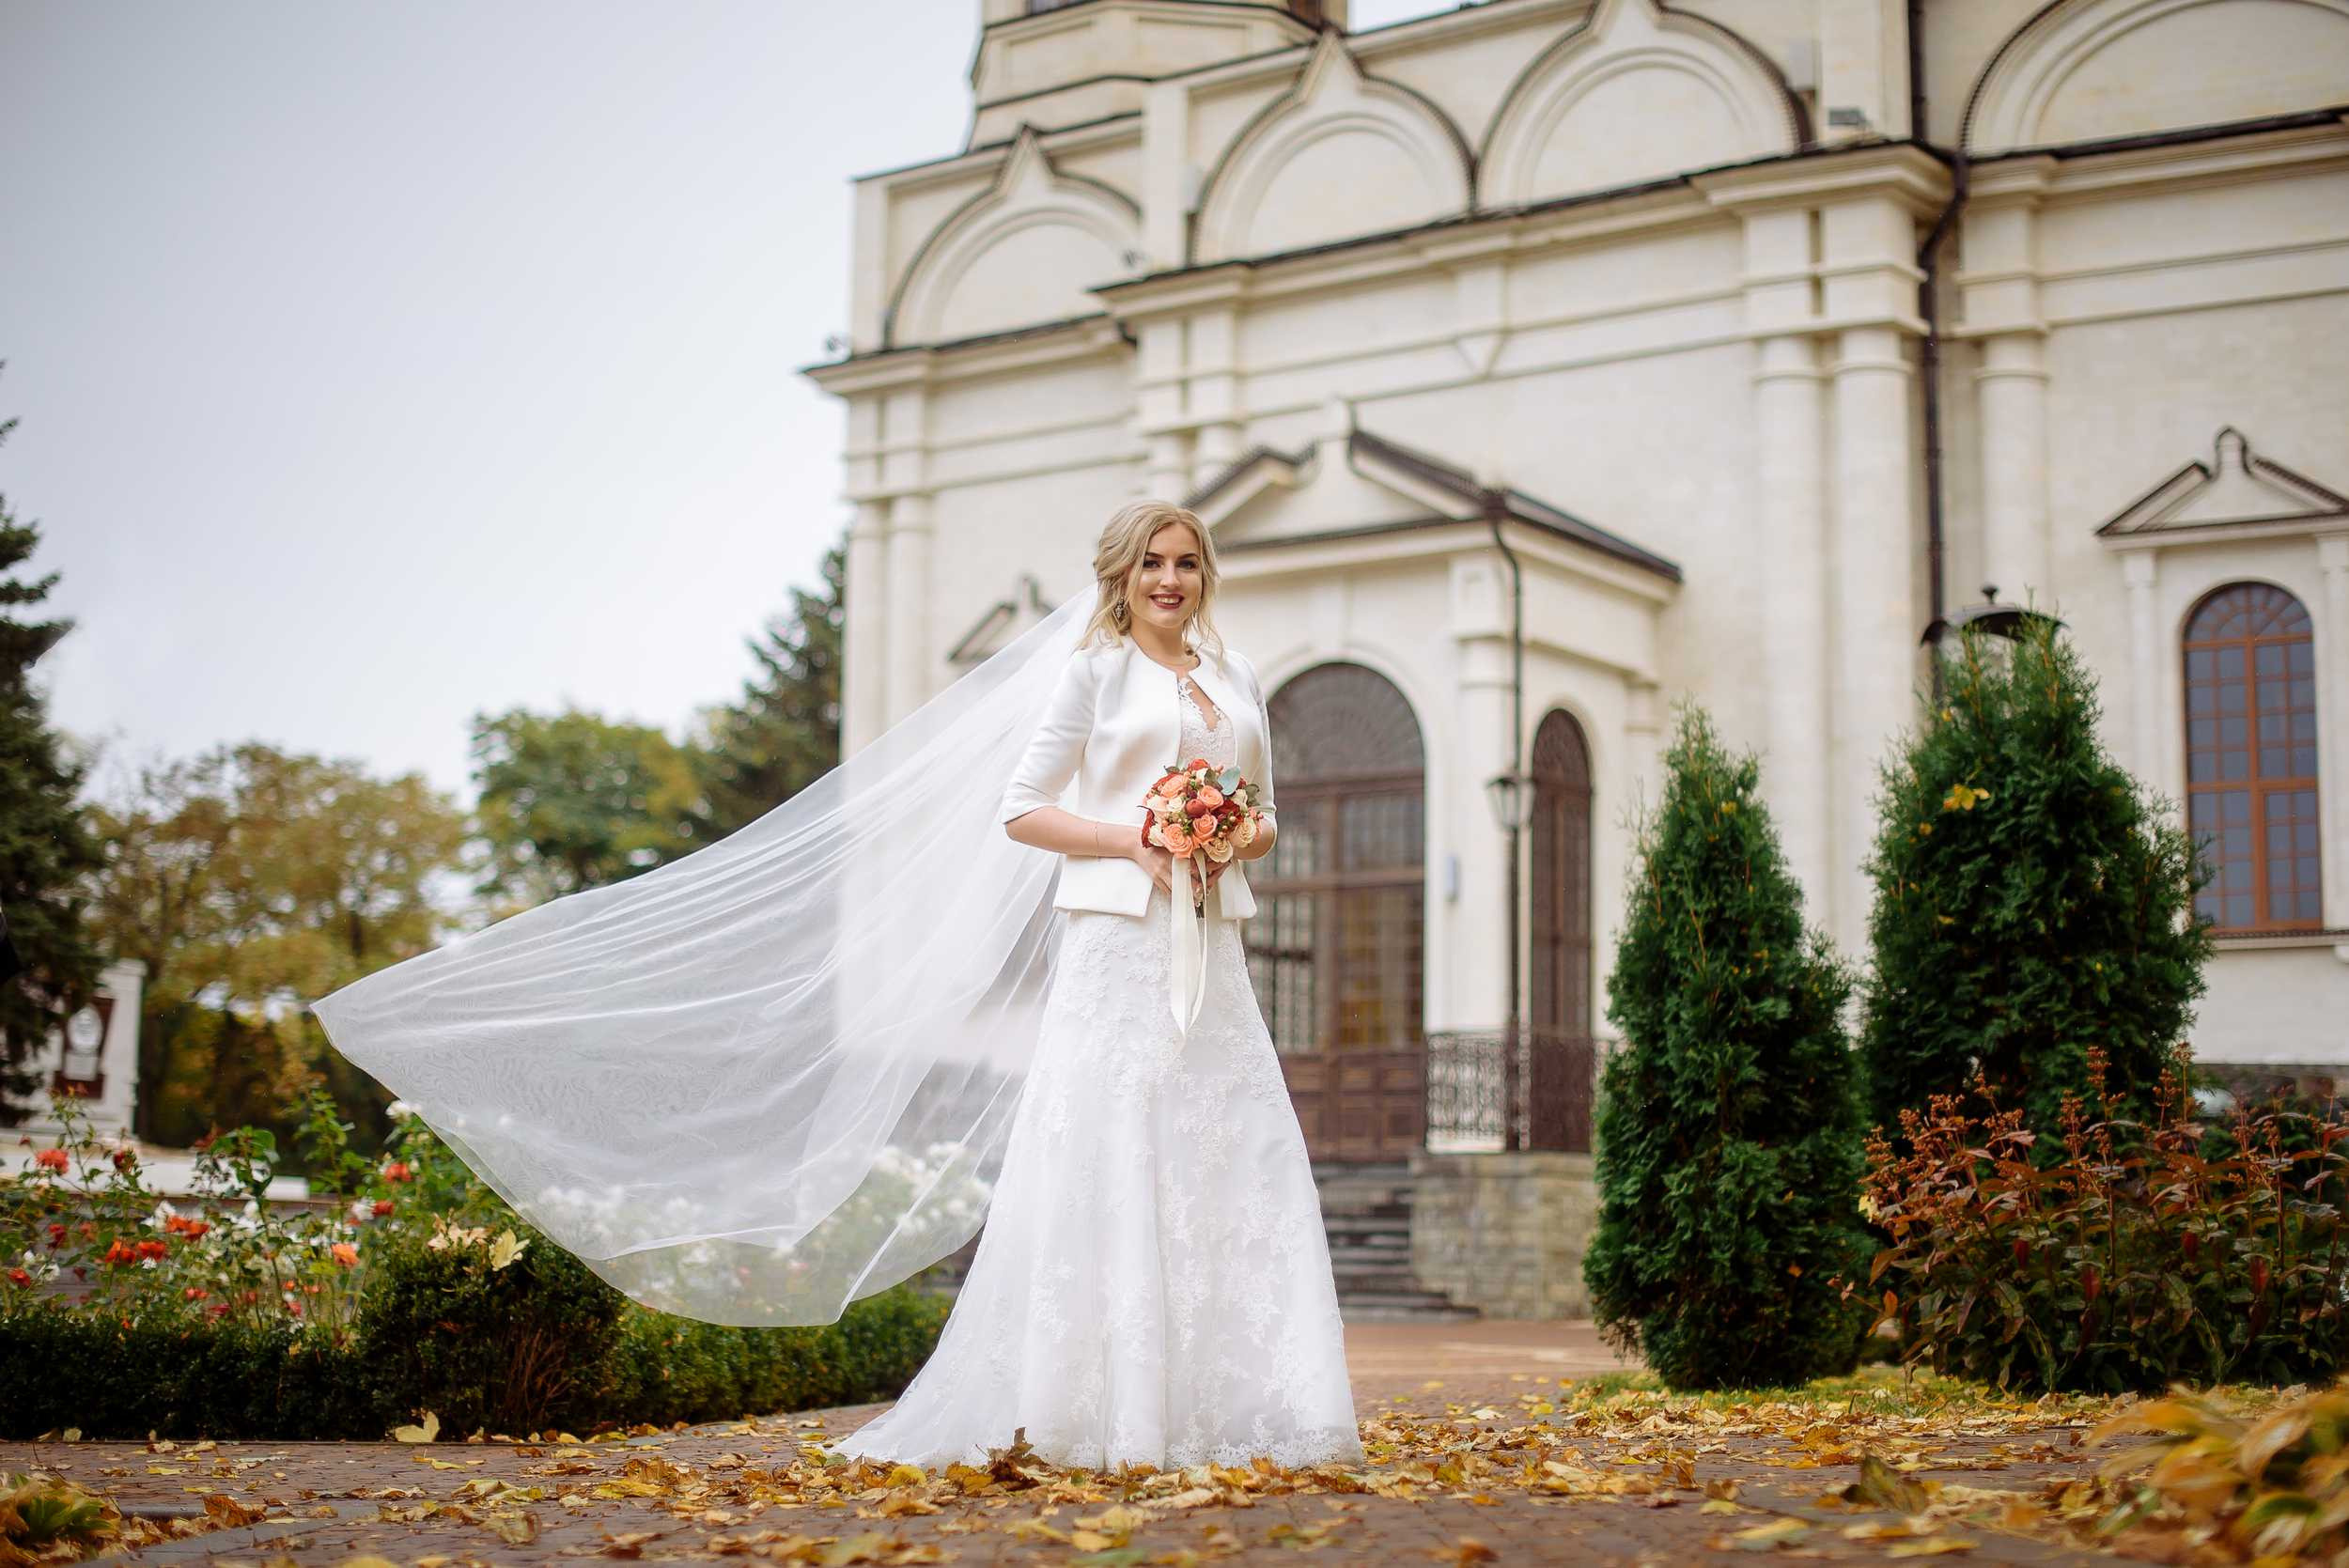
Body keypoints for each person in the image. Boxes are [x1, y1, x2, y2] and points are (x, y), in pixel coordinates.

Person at [831, 502, 1362, 1470]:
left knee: (1231, 1151)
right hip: (1116, 945)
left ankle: (1238, 1402)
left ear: (1205, 577)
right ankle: (1091, 1410)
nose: (1170, 580)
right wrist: (1136, 836)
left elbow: (1269, 814)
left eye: (1187, 563)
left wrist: (1227, 834)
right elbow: (1023, 807)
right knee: (1114, 1146)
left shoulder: (1236, 676)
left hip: (1212, 943)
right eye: (1152, 563)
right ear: (1120, 576)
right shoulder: (1093, 673)